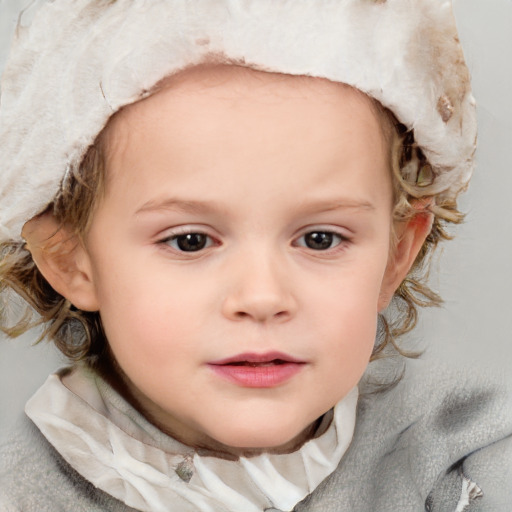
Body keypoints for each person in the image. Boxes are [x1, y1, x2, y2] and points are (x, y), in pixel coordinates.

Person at [0, 1, 511, 511]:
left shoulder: (460, 454)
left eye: (320, 239)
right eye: (190, 241)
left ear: (397, 254)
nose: (263, 297)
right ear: (69, 258)